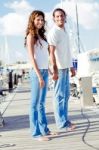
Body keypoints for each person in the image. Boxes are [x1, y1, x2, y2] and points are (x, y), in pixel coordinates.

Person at [25, 10, 54, 141]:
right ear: (33, 20)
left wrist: (48, 69)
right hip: (36, 72)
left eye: (42, 20)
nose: (40, 22)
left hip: (44, 71)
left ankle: (45, 130)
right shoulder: (30, 36)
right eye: (38, 19)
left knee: (42, 104)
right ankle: (36, 134)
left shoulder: (42, 36)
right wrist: (39, 76)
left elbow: (43, 56)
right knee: (34, 104)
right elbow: (32, 58)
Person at [47, 8, 76, 130]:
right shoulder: (53, 32)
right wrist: (54, 69)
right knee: (58, 96)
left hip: (65, 67)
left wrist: (72, 67)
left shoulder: (64, 30)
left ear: (65, 17)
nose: (60, 18)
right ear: (54, 18)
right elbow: (51, 53)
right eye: (57, 16)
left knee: (66, 95)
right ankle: (61, 124)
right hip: (58, 68)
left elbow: (67, 52)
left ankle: (65, 120)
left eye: (62, 16)